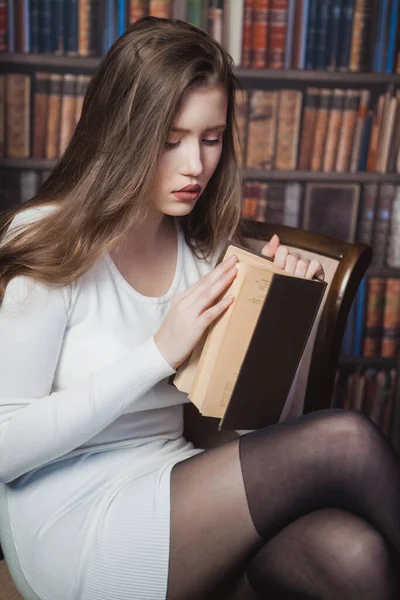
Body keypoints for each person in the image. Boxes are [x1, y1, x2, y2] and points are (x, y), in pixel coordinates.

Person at [0, 17, 399, 600]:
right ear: (123, 133)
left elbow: (242, 431)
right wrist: (157, 352)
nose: (194, 166)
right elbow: (7, 448)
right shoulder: (51, 242)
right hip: (71, 513)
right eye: (170, 140)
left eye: (211, 139)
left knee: (353, 552)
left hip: (176, 479)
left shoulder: (204, 249)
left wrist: (284, 323)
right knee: (347, 441)